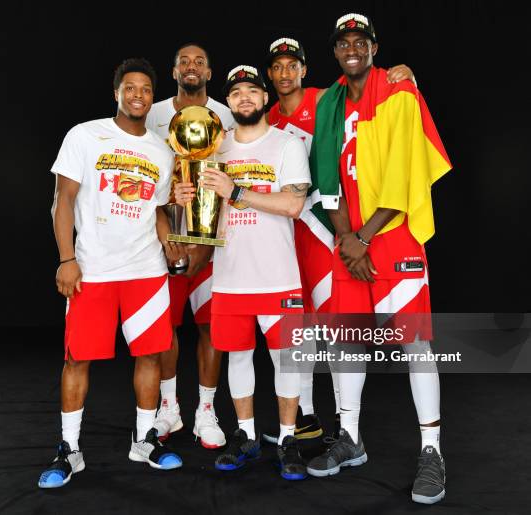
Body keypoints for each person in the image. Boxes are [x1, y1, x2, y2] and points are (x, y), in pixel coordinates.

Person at [303, 14, 452, 506]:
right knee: (347, 341)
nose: (351, 48)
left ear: (373, 47)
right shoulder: (329, 103)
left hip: (393, 236)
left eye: (359, 41)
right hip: (350, 240)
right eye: (343, 42)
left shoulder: (397, 91)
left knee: (415, 344)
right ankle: (351, 438)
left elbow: (405, 173)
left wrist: (364, 237)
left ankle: (432, 451)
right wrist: (346, 236)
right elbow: (331, 179)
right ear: (336, 51)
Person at [262, 36, 416, 445]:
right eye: (277, 66)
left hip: (327, 229)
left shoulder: (326, 99)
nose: (284, 73)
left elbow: (371, 87)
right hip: (286, 232)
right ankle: (305, 414)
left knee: (336, 327)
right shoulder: (268, 118)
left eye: (292, 65)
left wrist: (408, 77)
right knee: (299, 326)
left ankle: (342, 424)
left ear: (304, 70)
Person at [38, 58, 183, 489]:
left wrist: (169, 240)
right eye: (130, 88)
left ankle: (144, 440)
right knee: (77, 358)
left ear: (151, 97)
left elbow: (157, 209)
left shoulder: (161, 150)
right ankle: (70, 449)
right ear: (117, 93)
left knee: (150, 355)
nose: (138, 94)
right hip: (95, 269)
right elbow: (63, 199)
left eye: (145, 89)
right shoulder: (85, 135)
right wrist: (67, 258)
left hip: (146, 271)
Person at [175, 65, 311, 480]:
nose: (245, 98)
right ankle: (246, 436)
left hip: (278, 275)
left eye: (253, 90)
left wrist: (236, 191)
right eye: (237, 93)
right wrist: (183, 197)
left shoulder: (286, 145)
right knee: (237, 355)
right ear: (228, 102)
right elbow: (206, 213)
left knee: (286, 361)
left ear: (265, 98)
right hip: (231, 276)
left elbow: (292, 205)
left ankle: (288, 439)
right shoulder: (215, 147)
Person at [145, 43, 235, 449]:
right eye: (184, 61)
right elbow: (144, 181)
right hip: (163, 241)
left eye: (200, 60)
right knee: (163, 330)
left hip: (213, 241)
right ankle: (169, 408)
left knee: (210, 326)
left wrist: (209, 244)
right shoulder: (152, 115)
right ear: (174, 70)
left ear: (210, 72)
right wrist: (168, 235)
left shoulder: (228, 114)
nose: (192, 66)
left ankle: (206, 411)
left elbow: (235, 179)